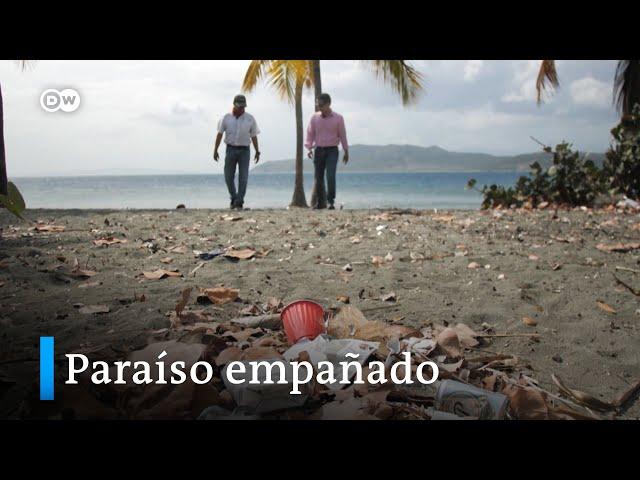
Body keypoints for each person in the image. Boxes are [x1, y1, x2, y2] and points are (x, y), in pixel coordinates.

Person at [213, 94, 260, 210]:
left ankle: (239, 202)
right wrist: (215, 150)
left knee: (243, 177)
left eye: (243, 107)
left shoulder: (250, 118)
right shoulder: (226, 118)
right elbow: (219, 134)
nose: (242, 109)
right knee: (228, 176)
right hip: (230, 149)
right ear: (234, 105)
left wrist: (257, 151)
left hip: (245, 151)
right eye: (239, 107)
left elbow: (253, 136)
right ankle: (234, 197)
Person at [305, 93, 349, 210]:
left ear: (329, 104)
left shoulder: (338, 118)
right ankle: (320, 202)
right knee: (318, 178)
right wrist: (309, 148)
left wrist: (346, 150)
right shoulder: (314, 118)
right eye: (318, 105)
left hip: (332, 151)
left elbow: (343, 135)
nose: (319, 107)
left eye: (321, 105)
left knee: (330, 176)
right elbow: (310, 133)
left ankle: (330, 202)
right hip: (319, 150)